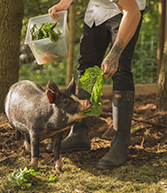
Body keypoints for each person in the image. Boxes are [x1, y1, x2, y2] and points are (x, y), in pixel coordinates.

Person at [48, 0, 146, 170]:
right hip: (97, 11)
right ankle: (79, 133)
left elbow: (133, 13)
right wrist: (64, 3)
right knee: (87, 66)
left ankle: (120, 143)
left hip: (127, 11)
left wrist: (114, 53)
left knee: (120, 68)